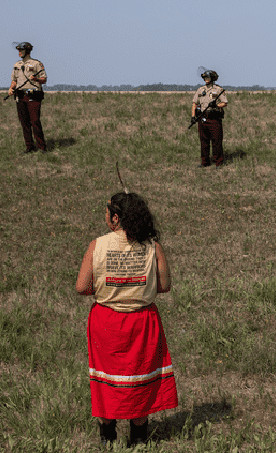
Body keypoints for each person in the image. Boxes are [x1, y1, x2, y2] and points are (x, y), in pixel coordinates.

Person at [75, 192, 177, 447]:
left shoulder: (97, 245)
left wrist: (105, 289)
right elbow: (164, 285)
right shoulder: (153, 247)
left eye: (106, 212)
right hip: (142, 322)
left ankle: (107, 437)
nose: (105, 216)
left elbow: (81, 287)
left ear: (116, 218)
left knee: (106, 380)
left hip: (107, 323)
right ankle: (139, 438)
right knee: (140, 378)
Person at [8, 42, 47, 153]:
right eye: (18, 50)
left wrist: (36, 79)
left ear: (28, 51)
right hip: (20, 96)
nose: (19, 52)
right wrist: (11, 88)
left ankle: (42, 147)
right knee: (24, 123)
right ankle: (29, 147)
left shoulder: (37, 64)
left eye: (21, 50)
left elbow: (44, 79)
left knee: (35, 122)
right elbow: (14, 80)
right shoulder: (17, 64)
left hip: (34, 96)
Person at [191, 69, 228, 167]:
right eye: (204, 77)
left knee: (216, 141)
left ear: (212, 78)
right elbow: (194, 103)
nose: (206, 79)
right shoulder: (200, 90)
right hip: (202, 118)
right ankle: (205, 162)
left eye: (207, 77)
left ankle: (218, 162)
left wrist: (216, 105)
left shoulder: (218, 90)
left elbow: (225, 103)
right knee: (204, 141)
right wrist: (193, 116)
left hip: (214, 118)